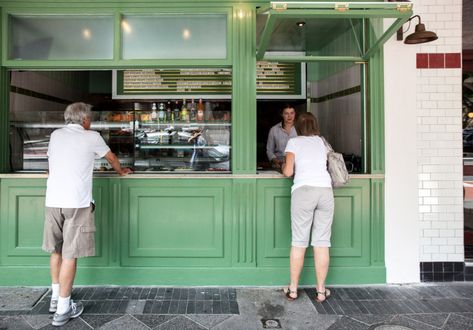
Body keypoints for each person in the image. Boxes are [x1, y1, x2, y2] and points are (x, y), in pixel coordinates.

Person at [42, 102, 132, 326]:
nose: (90, 120)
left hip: (53, 200)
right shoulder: (91, 136)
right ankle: (63, 309)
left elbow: (52, 164)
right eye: (89, 117)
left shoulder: (55, 135)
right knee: (70, 255)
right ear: (84, 119)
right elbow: (111, 158)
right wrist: (121, 171)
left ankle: (54, 298)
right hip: (77, 203)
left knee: (57, 250)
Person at [282, 112, 334, 303]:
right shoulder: (322, 142)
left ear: (298, 126)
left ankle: (293, 289)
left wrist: (282, 166)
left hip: (304, 191)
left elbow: (288, 172)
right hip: (325, 192)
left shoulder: (294, 142)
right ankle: (321, 291)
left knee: (299, 241)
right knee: (322, 242)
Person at [266, 104, 297, 170]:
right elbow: (269, 150)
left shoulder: (300, 128)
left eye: (292, 113)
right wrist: (275, 160)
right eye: (286, 113)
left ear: (295, 114)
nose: (289, 116)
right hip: (279, 165)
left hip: (297, 164)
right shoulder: (274, 130)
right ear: (282, 115)